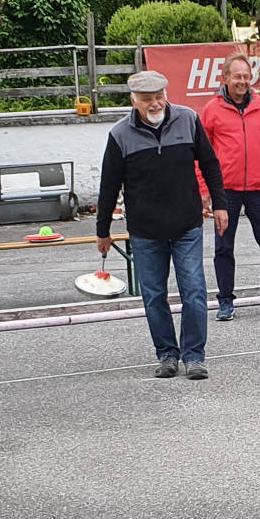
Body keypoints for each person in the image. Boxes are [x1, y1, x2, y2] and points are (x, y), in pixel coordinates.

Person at [96, 70, 229, 380]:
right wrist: (103, 230)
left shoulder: (188, 120)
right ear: (134, 101)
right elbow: (108, 186)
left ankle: (194, 356)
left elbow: (210, 163)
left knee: (194, 291)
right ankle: (167, 354)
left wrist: (220, 204)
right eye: (147, 99)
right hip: (145, 232)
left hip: (187, 225)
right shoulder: (119, 135)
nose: (155, 103)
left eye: (159, 97)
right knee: (154, 295)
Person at [198, 53, 260, 321]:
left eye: (247, 76)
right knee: (224, 247)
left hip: (258, 189)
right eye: (237, 76)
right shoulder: (211, 110)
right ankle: (225, 300)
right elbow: (200, 152)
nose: (243, 81)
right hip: (225, 191)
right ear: (225, 78)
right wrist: (204, 188)